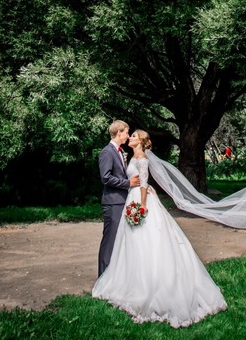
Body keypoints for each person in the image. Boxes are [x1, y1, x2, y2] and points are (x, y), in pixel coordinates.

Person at [92, 130, 228, 328]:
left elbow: (143, 183)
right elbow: (137, 181)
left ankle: (149, 284)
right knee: (131, 242)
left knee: (147, 241)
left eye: (133, 136)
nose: (130, 137)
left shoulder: (142, 158)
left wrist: (142, 205)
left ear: (141, 141)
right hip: (132, 198)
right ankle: (130, 280)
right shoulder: (133, 156)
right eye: (129, 135)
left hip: (139, 201)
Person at [97, 120, 140, 276]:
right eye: (126, 132)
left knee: (119, 240)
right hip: (113, 203)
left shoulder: (119, 151)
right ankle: (102, 277)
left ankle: (114, 277)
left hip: (122, 201)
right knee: (110, 241)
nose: (128, 136)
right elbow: (106, 178)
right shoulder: (107, 152)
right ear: (119, 132)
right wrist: (128, 183)